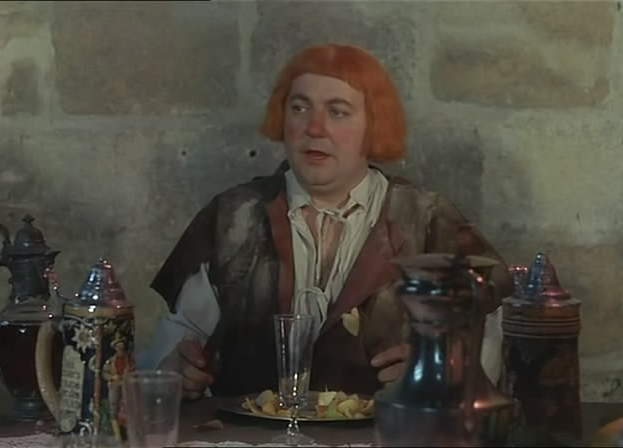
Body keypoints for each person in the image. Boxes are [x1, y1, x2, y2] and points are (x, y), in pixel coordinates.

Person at [137, 42, 513, 401]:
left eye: (338, 112)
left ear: (374, 125)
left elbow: (490, 337)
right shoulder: (236, 215)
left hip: (385, 433)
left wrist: (442, 372)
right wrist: (174, 372)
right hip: (249, 433)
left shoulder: (427, 218)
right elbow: (177, 343)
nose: (314, 128)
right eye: (300, 108)